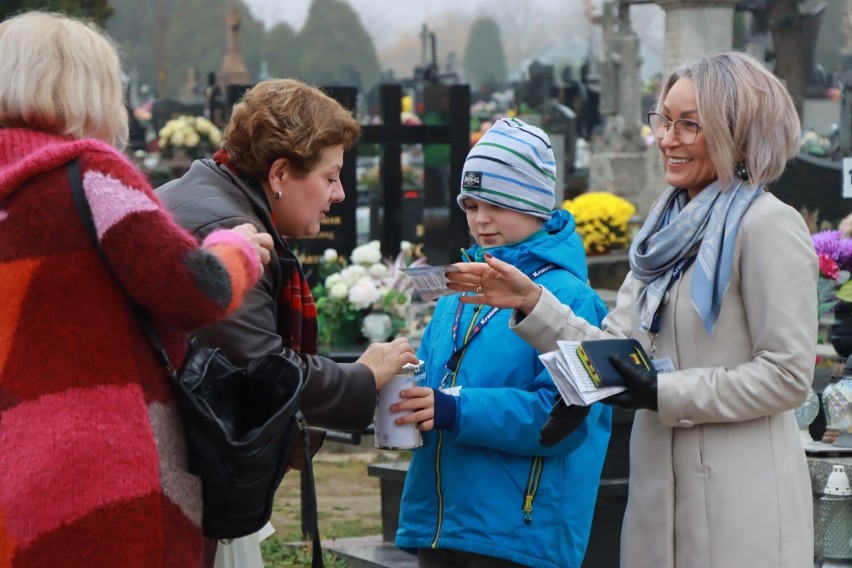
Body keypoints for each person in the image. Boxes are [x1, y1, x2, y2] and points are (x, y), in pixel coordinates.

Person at [449, 52, 818, 567]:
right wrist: (532, 303)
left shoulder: (767, 226)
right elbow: (613, 350)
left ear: (738, 130)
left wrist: (663, 391)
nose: (668, 138)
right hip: (656, 504)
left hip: (740, 507)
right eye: (664, 119)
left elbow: (787, 374)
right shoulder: (663, 229)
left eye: (690, 124)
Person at [0, 11, 274, 567]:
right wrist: (239, 249)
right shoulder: (92, 174)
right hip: (104, 464)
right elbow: (193, 290)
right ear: (91, 87)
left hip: (13, 460)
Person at [157, 79, 418, 564]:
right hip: (175, 482)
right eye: (330, 176)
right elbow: (260, 367)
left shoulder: (208, 192)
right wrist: (363, 377)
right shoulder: (228, 231)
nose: (339, 193)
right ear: (280, 172)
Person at [392, 118, 612, 568]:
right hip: (441, 527)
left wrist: (454, 408)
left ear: (535, 205)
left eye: (497, 204)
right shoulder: (459, 293)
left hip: (518, 535)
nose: (481, 220)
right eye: (471, 205)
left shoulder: (570, 300)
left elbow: (563, 417)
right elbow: (439, 386)